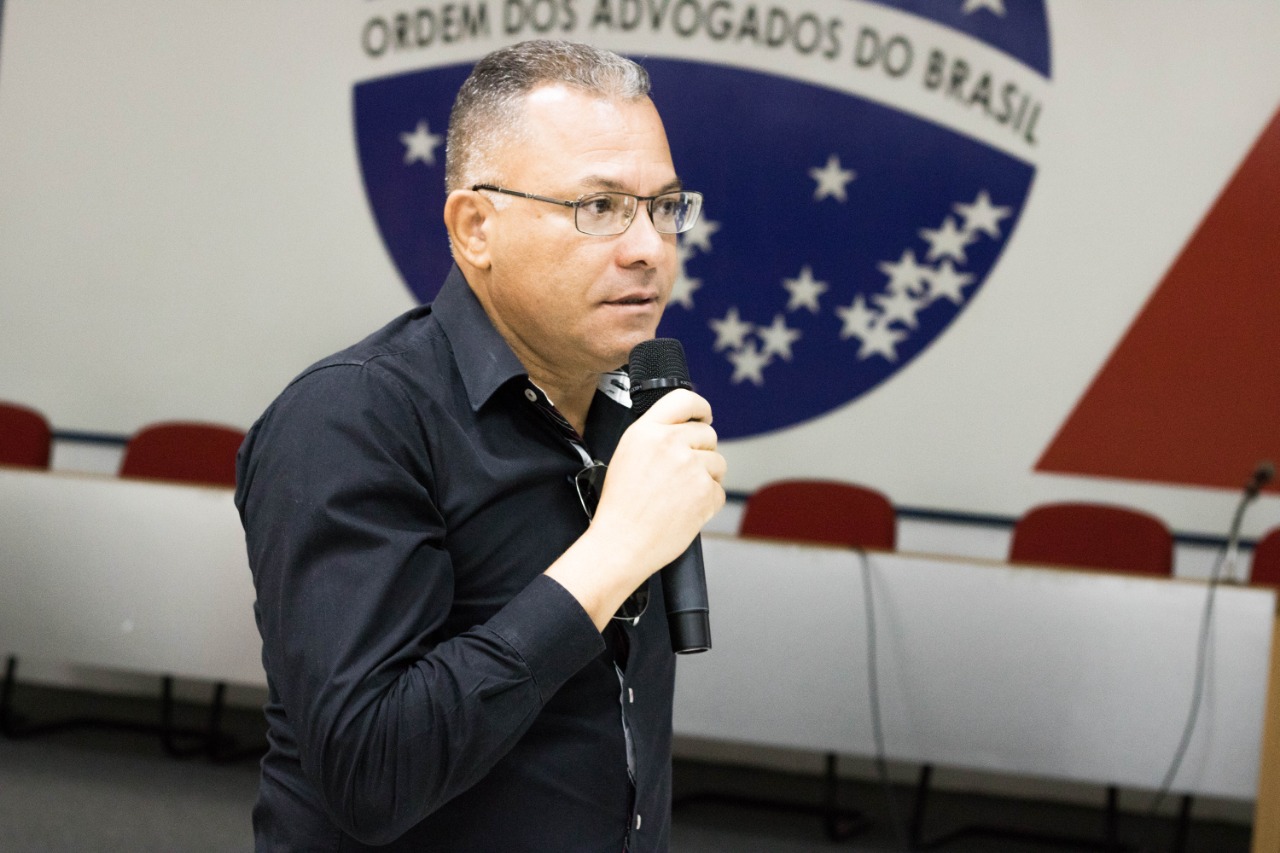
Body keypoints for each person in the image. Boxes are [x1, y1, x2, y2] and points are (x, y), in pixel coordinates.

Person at [234, 39, 726, 852]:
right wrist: (609, 556)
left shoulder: (631, 415)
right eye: (600, 206)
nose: (648, 247)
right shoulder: (352, 418)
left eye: (664, 206)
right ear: (475, 228)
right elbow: (370, 774)